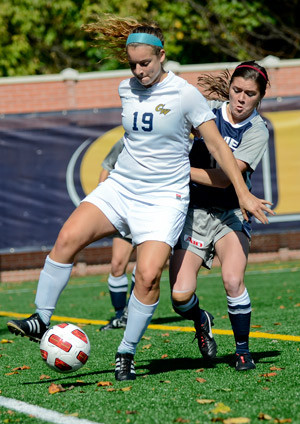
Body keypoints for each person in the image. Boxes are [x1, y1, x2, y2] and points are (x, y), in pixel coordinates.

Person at [7, 16, 273, 382]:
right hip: (123, 186)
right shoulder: (125, 89)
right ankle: (41, 317)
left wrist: (243, 194)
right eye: (132, 63)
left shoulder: (184, 94)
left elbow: (217, 146)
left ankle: (126, 353)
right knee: (68, 237)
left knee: (147, 278)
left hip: (165, 198)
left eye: (145, 63)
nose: (138, 70)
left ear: (161, 56)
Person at [169, 61, 270, 371]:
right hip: (193, 213)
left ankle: (242, 351)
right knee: (179, 297)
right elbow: (172, 122)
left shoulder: (257, 130)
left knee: (232, 280)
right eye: (237, 90)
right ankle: (202, 319)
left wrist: (178, 170)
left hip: (230, 215)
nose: (241, 98)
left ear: (260, 97)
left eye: (249, 94)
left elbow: (226, 178)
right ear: (229, 89)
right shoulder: (208, 109)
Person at [99, 138, 136, 330]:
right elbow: (107, 165)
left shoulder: (176, 142)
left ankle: (133, 314)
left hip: (155, 211)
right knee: (117, 265)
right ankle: (120, 315)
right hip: (127, 212)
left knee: (146, 268)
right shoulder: (126, 141)